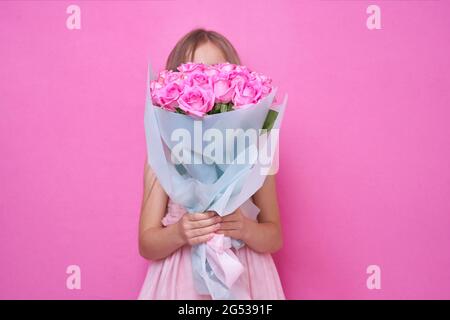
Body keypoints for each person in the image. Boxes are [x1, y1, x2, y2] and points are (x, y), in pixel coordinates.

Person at [138, 28, 285, 299]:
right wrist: (179, 233)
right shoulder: (164, 154)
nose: (205, 84)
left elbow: (274, 237)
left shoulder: (255, 150)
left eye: (217, 74)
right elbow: (147, 244)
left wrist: (245, 228)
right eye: (195, 76)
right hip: (180, 282)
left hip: (246, 275)